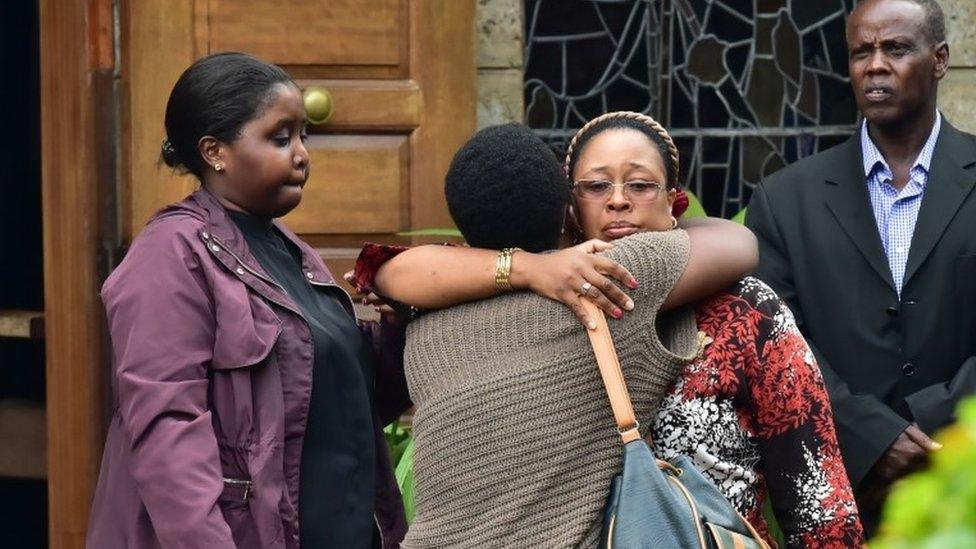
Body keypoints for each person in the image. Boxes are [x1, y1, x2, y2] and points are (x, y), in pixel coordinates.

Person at [357, 114, 863, 547]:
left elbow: (819, 500)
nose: (618, 201)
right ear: (568, 206)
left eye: (641, 185)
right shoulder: (498, 298)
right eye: (597, 186)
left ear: (674, 199)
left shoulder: (745, 308)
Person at [86, 52, 410, 549]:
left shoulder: (289, 252)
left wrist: (399, 326)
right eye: (280, 138)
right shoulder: (170, 255)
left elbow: (343, 405)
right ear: (215, 151)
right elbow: (166, 434)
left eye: (304, 136)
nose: (302, 154)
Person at [745, 0, 976, 531]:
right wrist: (872, 436)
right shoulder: (785, 200)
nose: (875, 65)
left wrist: (935, 423)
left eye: (896, 49)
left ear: (939, 59)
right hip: (841, 494)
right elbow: (775, 339)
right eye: (860, 52)